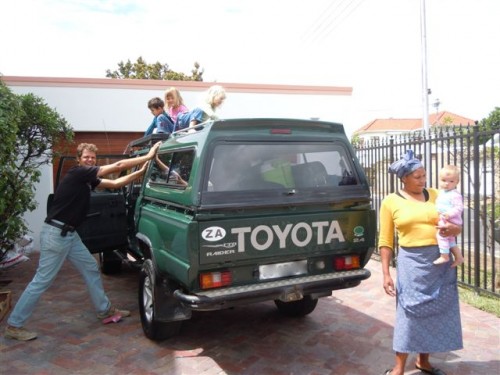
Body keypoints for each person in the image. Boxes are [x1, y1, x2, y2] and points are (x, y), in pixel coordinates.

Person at [4, 141, 161, 341]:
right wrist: (148, 156)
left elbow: (114, 183)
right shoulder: (78, 173)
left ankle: (104, 311)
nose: (90, 160)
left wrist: (141, 172)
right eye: (86, 157)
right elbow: (118, 167)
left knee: (90, 267)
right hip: (56, 234)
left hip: (70, 235)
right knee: (41, 281)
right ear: (79, 160)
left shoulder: (87, 179)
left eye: (93, 158)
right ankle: (14, 325)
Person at [379, 150, 463, 375]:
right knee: (409, 313)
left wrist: (456, 229)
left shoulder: (437, 195)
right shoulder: (391, 201)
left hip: (439, 261)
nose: (423, 181)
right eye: (417, 177)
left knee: (435, 311)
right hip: (411, 263)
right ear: (404, 178)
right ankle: (399, 368)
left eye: (424, 176)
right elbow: (386, 240)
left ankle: (423, 362)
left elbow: (457, 224)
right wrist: (386, 273)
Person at [434, 165, 464, 267]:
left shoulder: (454, 194)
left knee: (441, 235)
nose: (447, 184)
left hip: (451, 219)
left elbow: (459, 207)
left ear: (457, 182)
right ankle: (459, 257)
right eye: (444, 180)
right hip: (445, 218)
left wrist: (449, 214)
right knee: (450, 240)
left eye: (451, 181)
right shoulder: (442, 192)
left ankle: (444, 256)